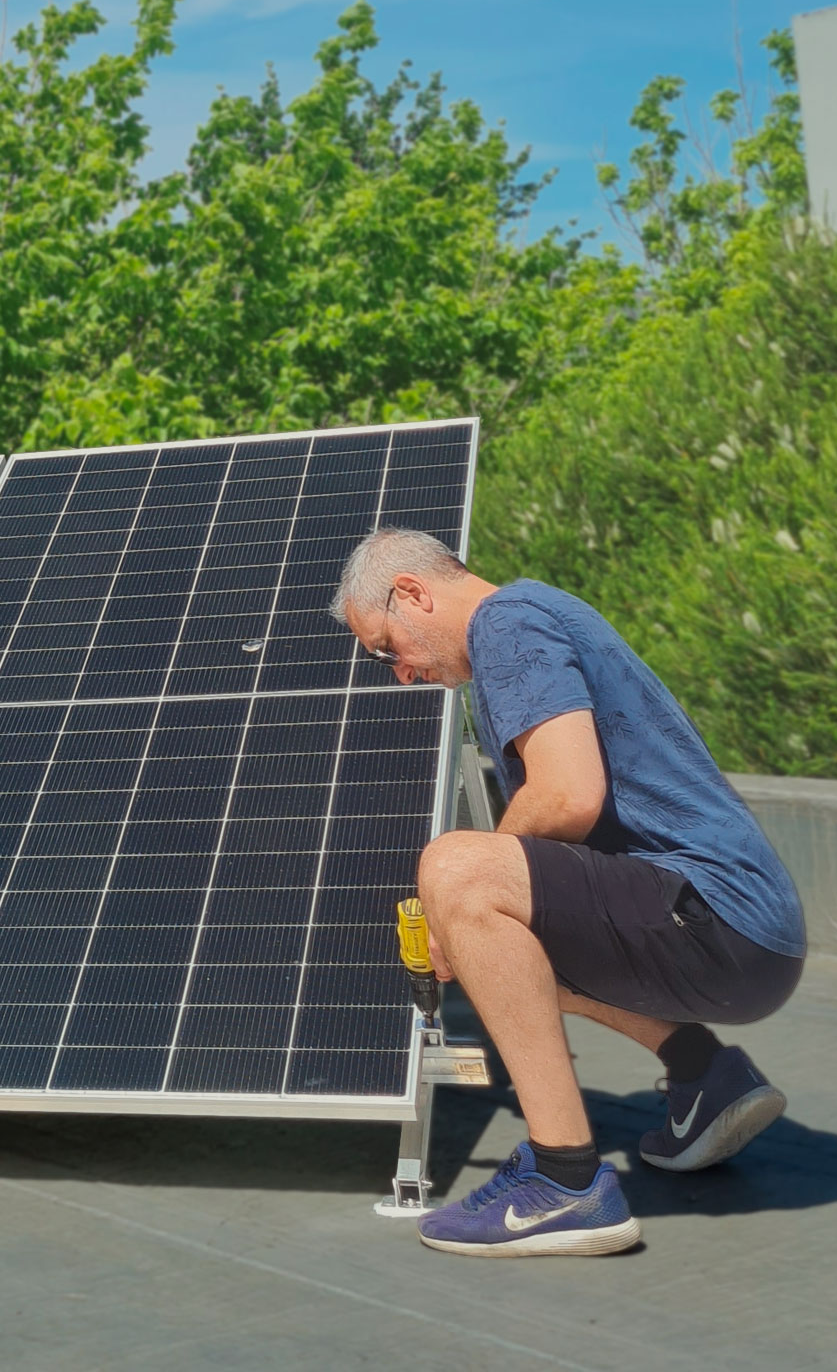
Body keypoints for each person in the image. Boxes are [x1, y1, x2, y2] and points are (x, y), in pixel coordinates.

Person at [330, 527, 805, 1258]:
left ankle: (564, 1180)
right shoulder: (528, 621)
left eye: (385, 649)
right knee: (504, 948)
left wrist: (460, 896)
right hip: (740, 931)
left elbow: (566, 795)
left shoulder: (507, 622)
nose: (399, 674)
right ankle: (704, 1073)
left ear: (413, 593)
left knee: (454, 868)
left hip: (719, 914)